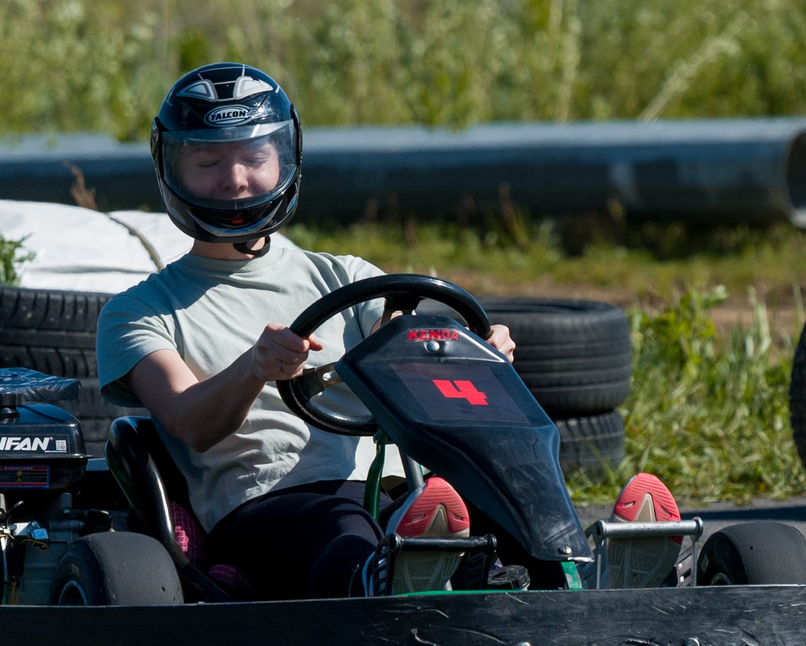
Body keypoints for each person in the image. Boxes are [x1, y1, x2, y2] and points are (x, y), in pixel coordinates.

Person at [96, 63, 515, 599]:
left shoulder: (345, 277)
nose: (234, 179)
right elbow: (188, 421)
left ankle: (583, 569)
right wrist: (254, 368)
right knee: (342, 527)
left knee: (492, 489)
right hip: (262, 510)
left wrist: (473, 354)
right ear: (172, 168)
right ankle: (385, 584)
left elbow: (409, 342)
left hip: (390, 493)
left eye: (254, 157)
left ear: (285, 158)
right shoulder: (140, 311)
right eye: (208, 161)